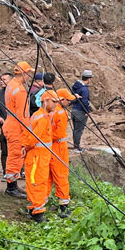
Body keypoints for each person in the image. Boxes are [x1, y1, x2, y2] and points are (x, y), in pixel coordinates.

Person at [25, 90, 58, 223]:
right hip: (37, 156)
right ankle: (37, 212)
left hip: (41, 155)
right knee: (38, 182)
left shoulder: (41, 115)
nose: (55, 105)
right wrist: (26, 147)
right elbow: (33, 137)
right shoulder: (42, 118)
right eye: (53, 102)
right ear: (45, 102)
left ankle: (34, 207)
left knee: (38, 181)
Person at [3, 61, 34, 198]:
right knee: (16, 156)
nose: (29, 77)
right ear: (24, 74)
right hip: (16, 127)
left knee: (13, 155)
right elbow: (23, 115)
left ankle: (13, 184)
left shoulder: (11, 85)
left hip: (10, 123)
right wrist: (28, 132)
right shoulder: (20, 90)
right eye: (28, 74)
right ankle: (11, 187)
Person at [49, 88, 75, 218]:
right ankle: (63, 206)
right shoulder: (61, 113)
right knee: (62, 175)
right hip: (59, 147)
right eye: (68, 100)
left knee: (48, 178)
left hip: (49, 147)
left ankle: (41, 204)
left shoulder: (49, 111)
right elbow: (58, 134)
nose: (69, 103)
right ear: (63, 99)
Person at [0, 73, 13, 174]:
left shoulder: (16, 92)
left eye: (4, 80)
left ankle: (19, 170)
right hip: (3, 126)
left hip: (15, 126)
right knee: (4, 149)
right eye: (1, 80)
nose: (2, 81)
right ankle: (5, 172)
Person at [72, 70, 92, 152]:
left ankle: (76, 145)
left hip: (74, 110)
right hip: (80, 112)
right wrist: (87, 111)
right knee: (79, 130)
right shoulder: (84, 89)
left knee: (76, 129)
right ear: (89, 79)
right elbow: (84, 101)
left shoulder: (76, 87)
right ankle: (77, 147)